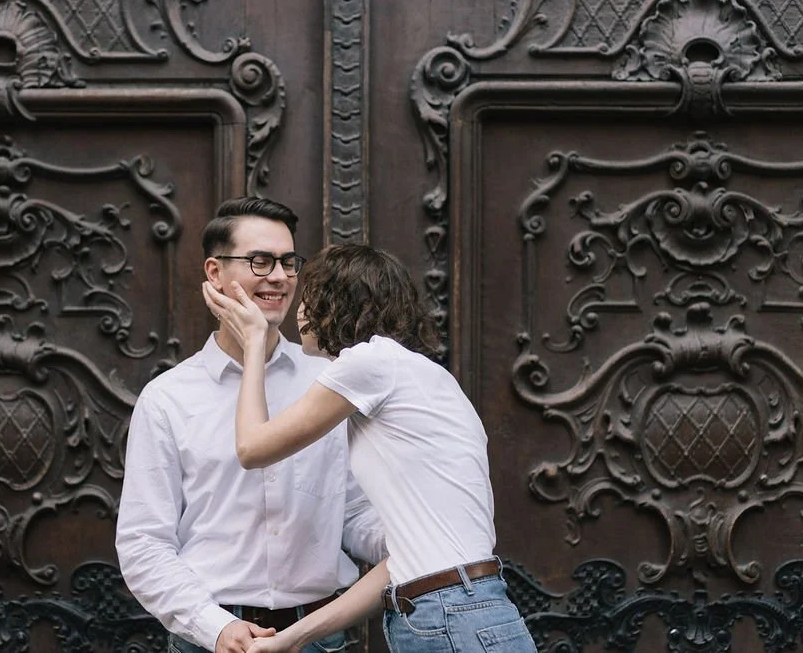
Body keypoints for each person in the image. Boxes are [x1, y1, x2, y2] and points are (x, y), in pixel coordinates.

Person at [203, 243, 537, 653]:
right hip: (473, 607)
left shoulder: (369, 362)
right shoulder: (425, 378)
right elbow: (399, 567)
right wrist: (288, 640)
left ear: (334, 303)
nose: (299, 311)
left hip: (447, 615)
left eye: (309, 297)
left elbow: (253, 448)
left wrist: (254, 343)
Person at [116, 199, 387, 653]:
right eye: (259, 261)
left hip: (321, 636)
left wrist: (411, 538)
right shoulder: (168, 399)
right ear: (215, 273)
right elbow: (145, 542)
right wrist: (213, 626)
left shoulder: (330, 379)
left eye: (287, 262)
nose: (279, 277)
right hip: (209, 639)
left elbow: (354, 511)